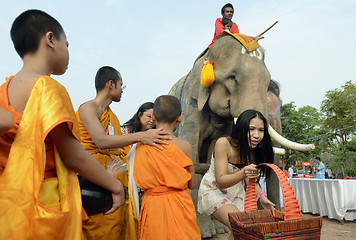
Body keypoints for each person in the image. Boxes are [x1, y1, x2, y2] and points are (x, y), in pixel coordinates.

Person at [0, 9, 124, 240]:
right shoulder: (48, 88)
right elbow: (74, 156)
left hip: (9, 203)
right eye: (66, 45)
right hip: (44, 201)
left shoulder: (2, 92)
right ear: (50, 39)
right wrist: (115, 186)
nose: (68, 52)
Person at [76, 67, 171, 240]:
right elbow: (101, 141)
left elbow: (120, 148)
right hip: (93, 180)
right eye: (121, 85)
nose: (122, 90)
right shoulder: (88, 109)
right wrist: (142, 136)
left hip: (117, 182)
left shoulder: (113, 117)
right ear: (110, 84)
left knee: (116, 231)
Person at [198, 109, 275, 240]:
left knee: (242, 232)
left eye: (261, 130)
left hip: (237, 193)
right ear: (241, 128)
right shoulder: (224, 143)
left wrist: (262, 197)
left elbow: (251, 180)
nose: (256, 135)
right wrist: (243, 173)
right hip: (213, 190)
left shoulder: (254, 150)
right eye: (251, 129)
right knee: (240, 225)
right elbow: (221, 181)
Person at [134, 95, 201, 240]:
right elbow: (192, 183)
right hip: (179, 205)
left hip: (152, 205)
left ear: (153, 117)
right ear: (180, 118)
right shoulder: (184, 146)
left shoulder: (142, 145)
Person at [122, 102, 155, 217]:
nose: (152, 120)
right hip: (125, 179)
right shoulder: (124, 132)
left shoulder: (153, 136)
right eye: (148, 116)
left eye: (154, 118)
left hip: (143, 181)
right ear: (139, 114)